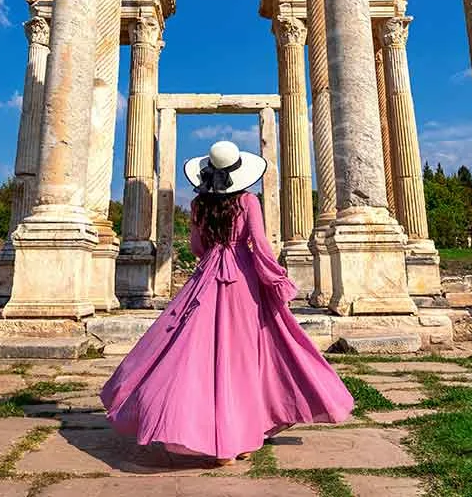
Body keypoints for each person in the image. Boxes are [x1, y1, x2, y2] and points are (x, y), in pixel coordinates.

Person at [100, 140, 355, 463]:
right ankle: (243, 436)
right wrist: (276, 280)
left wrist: (214, 253)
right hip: (243, 279)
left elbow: (196, 246)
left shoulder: (198, 206)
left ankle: (204, 432)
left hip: (206, 277)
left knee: (194, 352)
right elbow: (260, 244)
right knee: (244, 356)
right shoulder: (249, 201)